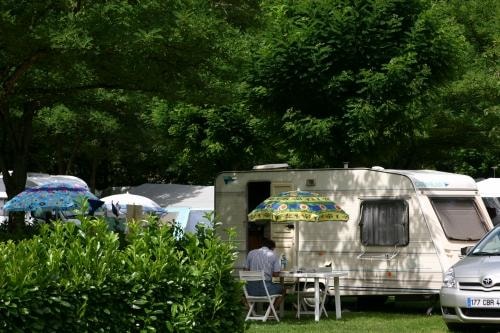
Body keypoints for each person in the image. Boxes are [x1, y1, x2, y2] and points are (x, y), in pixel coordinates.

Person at [245, 238, 285, 307]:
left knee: (240, 292)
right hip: (266, 289)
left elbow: (245, 271)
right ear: (272, 248)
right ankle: (271, 312)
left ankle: (250, 310)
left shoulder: (251, 253)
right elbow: (276, 274)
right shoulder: (273, 255)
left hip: (251, 289)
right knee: (283, 289)